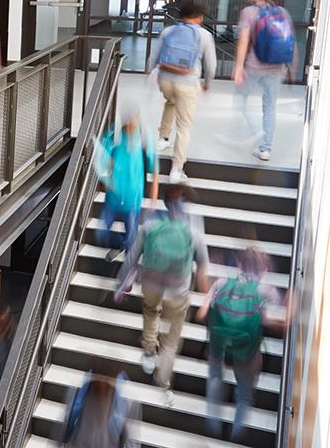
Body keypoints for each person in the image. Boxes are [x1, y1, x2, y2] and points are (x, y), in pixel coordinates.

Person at [119, 184, 209, 407]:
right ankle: (163, 378)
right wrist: (207, 296)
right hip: (177, 291)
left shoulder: (150, 223)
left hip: (151, 283)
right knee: (172, 339)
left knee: (150, 312)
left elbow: (132, 257)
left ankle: (149, 350)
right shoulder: (193, 228)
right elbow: (204, 265)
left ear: (166, 203)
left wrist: (122, 283)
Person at [196, 247, 283, 441]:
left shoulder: (221, 283)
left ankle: (212, 429)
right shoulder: (267, 292)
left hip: (219, 347)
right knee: (244, 396)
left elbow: (200, 314)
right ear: (264, 271)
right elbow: (271, 322)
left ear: (239, 264)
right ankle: (236, 436)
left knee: (214, 381)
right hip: (246, 353)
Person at [148, 0, 217, 184]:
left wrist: (150, 72)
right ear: (200, 17)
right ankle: (177, 169)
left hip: (165, 80)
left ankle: (162, 138)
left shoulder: (168, 31)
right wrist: (207, 83)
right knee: (184, 126)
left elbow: (153, 57)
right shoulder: (204, 35)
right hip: (187, 83)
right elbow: (211, 66)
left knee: (171, 102)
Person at [233, 0, 296, 161]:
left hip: (255, 65)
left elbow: (244, 40)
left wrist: (238, 67)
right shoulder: (282, 11)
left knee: (241, 99)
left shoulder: (249, 12)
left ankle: (258, 131)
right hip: (277, 67)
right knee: (269, 107)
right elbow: (290, 39)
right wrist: (292, 65)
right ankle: (265, 149)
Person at [96, 102, 158, 263]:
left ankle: (129, 272)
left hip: (133, 200)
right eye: (127, 121)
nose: (129, 125)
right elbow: (103, 158)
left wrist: (153, 199)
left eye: (132, 121)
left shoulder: (144, 138)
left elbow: (155, 170)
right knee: (101, 233)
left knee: (131, 239)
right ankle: (119, 244)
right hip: (113, 197)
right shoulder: (114, 135)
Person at [60, 358, 141, 448]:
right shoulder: (78, 390)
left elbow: (132, 442)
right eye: (99, 377)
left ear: (116, 373)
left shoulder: (128, 399)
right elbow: (64, 427)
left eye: (107, 380)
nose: (102, 385)